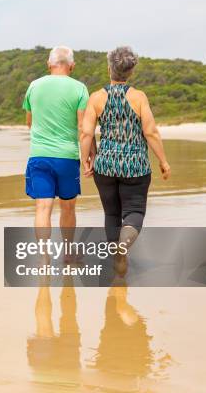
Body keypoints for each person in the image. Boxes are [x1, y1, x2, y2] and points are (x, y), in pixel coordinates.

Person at [79, 46, 170, 255]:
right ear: (131, 71)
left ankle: (115, 258)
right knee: (134, 211)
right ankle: (123, 248)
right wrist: (163, 161)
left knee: (111, 214)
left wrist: (85, 159)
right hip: (136, 166)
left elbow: (86, 133)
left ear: (109, 68)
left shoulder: (96, 98)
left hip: (105, 165)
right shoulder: (139, 97)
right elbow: (151, 132)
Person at [23, 46, 93, 232]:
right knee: (68, 207)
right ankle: (68, 254)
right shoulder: (79, 88)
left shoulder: (34, 86)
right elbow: (83, 128)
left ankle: (44, 259)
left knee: (43, 208)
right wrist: (88, 157)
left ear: (49, 64)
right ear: (72, 65)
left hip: (39, 156)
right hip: (67, 157)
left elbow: (29, 122)